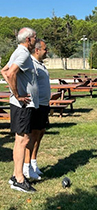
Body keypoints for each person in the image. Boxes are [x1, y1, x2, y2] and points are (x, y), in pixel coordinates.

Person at [1, 27, 38, 193]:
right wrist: (17, 94)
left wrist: (14, 93)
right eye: (35, 38)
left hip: (20, 105)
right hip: (23, 105)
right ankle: (19, 179)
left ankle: (16, 176)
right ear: (28, 39)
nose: (36, 41)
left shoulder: (18, 51)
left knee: (20, 140)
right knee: (23, 140)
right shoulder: (23, 53)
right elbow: (10, 74)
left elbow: (3, 71)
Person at [23, 39, 50, 180]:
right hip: (36, 105)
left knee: (40, 133)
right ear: (37, 50)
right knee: (33, 135)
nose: (47, 51)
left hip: (44, 104)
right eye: (45, 49)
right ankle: (26, 167)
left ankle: (33, 162)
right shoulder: (31, 64)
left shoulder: (41, 65)